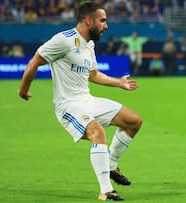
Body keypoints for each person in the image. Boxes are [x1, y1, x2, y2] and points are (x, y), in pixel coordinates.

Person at [18, 2, 142, 201]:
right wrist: (23, 90)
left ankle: (110, 164)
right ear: (88, 20)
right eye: (103, 20)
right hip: (68, 105)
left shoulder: (89, 44)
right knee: (97, 132)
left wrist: (118, 83)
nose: (106, 25)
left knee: (133, 121)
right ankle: (106, 191)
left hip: (87, 99)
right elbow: (35, 61)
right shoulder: (63, 40)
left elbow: (92, 75)